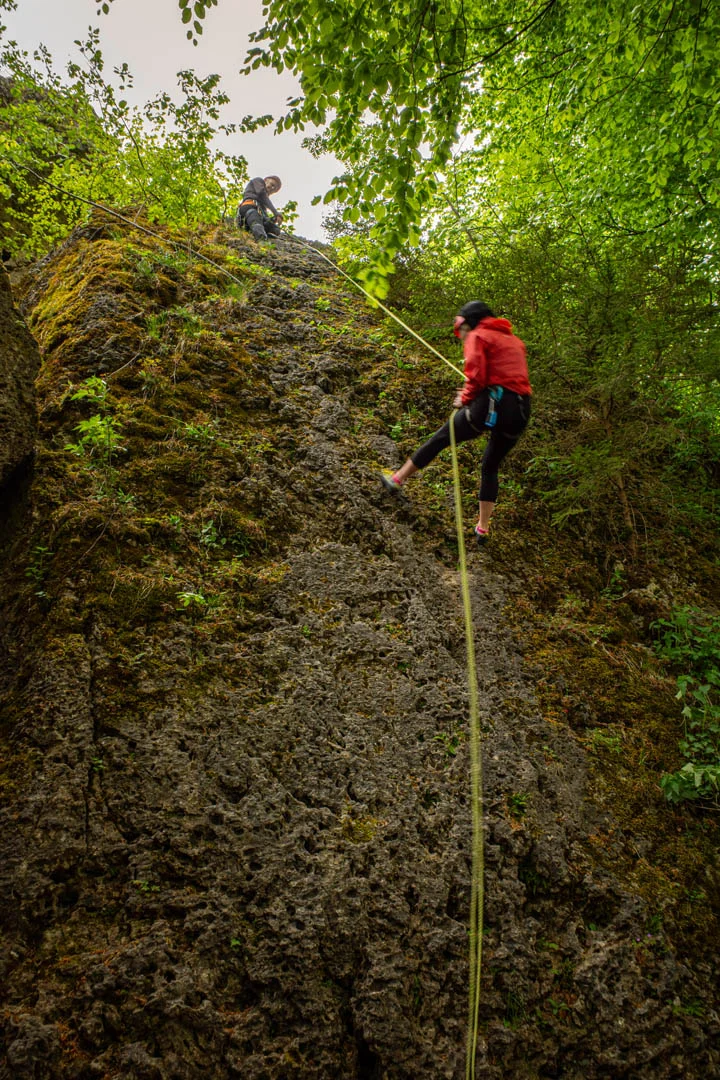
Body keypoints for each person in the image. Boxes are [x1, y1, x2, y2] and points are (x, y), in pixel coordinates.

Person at [380, 301, 532, 546]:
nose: (460, 334)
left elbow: (476, 374)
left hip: (491, 405)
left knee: (442, 437)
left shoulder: (478, 335)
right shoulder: (515, 341)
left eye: (460, 327)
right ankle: (483, 528)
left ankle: (397, 479)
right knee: (490, 465)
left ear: (469, 322)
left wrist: (465, 397)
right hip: (521, 410)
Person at [236, 176, 284, 242]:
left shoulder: (263, 205)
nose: (272, 188)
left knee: (275, 229)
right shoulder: (258, 181)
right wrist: (275, 213)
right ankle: (261, 240)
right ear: (266, 180)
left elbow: (265, 218)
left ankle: (262, 232)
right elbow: (261, 193)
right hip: (248, 208)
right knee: (254, 216)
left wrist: (273, 219)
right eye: (272, 184)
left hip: (259, 216)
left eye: (274, 189)